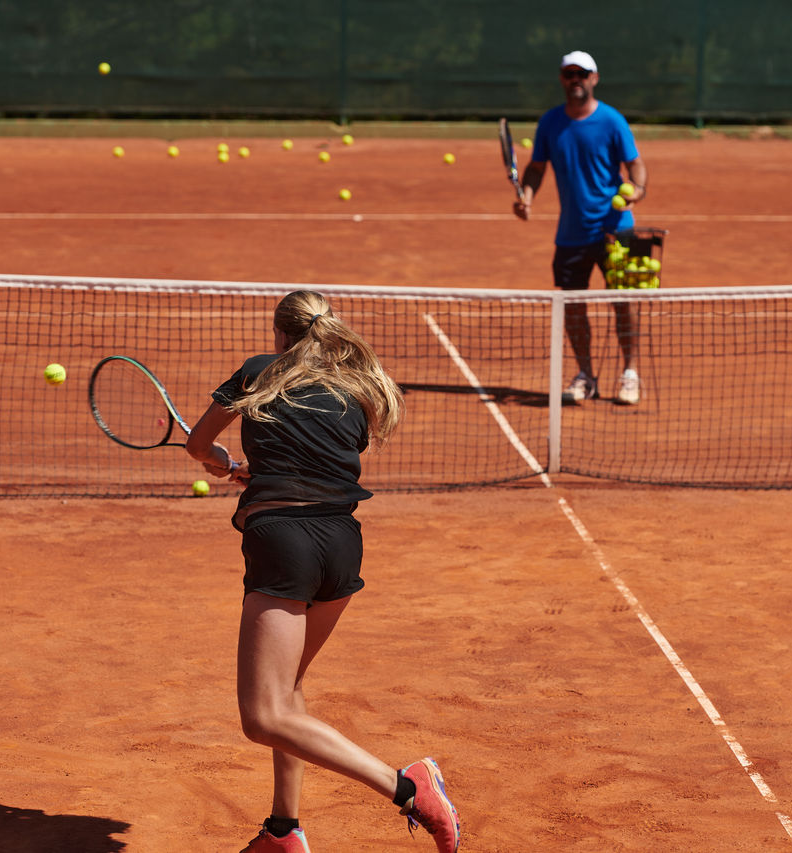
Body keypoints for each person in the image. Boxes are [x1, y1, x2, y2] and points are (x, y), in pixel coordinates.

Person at [186, 290, 460, 853]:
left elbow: (197, 444)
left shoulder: (261, 372)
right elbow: (312, 454)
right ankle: (283, 831)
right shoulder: (359, 388)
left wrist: (226, 465)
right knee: (287, 689)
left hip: (284, 545)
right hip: (340, 545)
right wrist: (254, 470)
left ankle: (409, 786)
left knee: (262, 717)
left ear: (281, 336)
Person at [514, 49, 649, 405]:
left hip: (617, 228)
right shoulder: (550, 123)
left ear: (594, 78)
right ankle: (586, 376)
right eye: (569, 73)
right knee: (573, 306)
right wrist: (527, 195)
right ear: (562, 78)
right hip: (571, 233)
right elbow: (536, 167)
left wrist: (637, 189)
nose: (576, 79)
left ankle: (630, 373)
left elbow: (635, 166)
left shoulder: (612, 121)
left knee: (625, 303)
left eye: (582, 73)